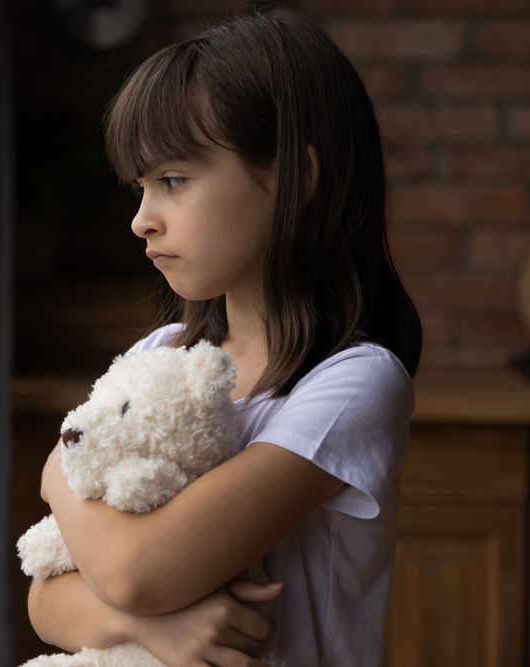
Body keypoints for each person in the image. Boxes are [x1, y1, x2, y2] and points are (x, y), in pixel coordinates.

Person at [28, 8, 424, 667]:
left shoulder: (353, 383)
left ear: (297, 178)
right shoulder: (159, 356)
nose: (140, 220)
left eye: (173, 181)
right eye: (140, 186)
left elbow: (135, 571)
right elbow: (43, 601)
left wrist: (54, 473)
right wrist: (154, 628)